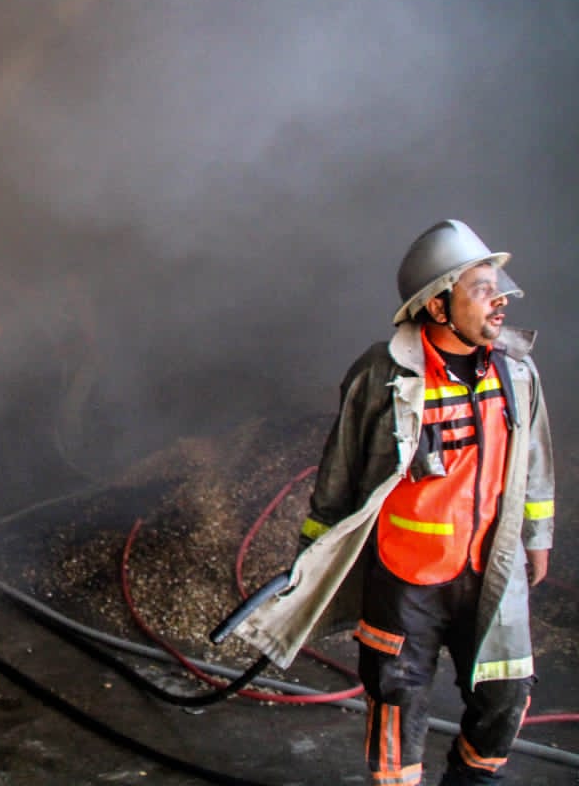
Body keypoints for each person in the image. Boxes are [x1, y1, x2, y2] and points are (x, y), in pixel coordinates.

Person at [231, 220, 555, 786]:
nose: (498, 299)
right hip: (404, 581)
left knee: (506, 692)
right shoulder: (383, 375)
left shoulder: (516, 372)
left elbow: (536, 462)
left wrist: (536, 536)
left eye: (497, 284)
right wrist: (312, 559)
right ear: (436, 306)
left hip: (490, 569)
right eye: (480, 288)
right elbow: (338, 475)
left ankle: (474, 780)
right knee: (396, 699)